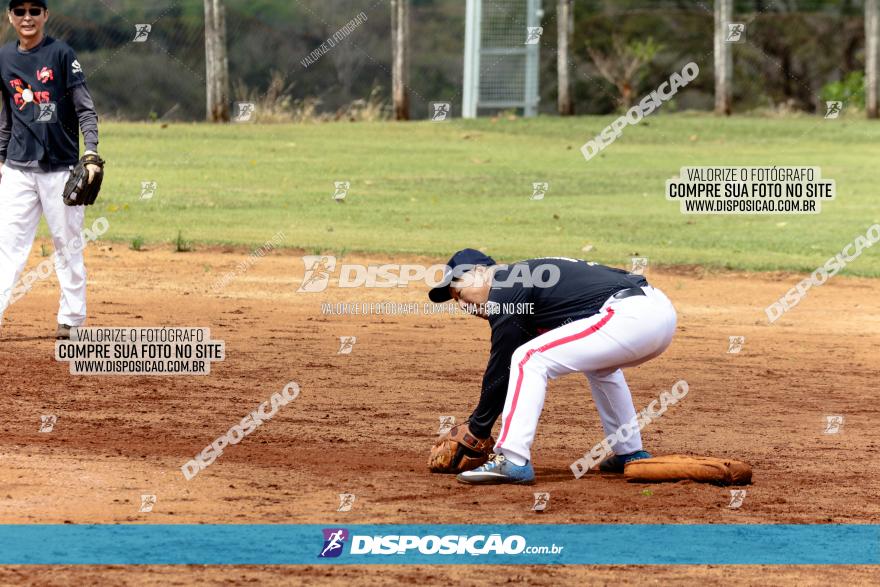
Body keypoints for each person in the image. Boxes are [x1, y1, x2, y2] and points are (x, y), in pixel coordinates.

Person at [428, 249, 677, 485]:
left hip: (632, 316)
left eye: (459, 294)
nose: (463, 306)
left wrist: (477, 428)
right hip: (656, 313)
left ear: (480, 272)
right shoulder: (526, 281)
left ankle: (513, 459)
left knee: (528, 358)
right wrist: (480, 424)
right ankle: (629, 452)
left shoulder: (505, 285)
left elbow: (502, 364)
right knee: (601, 368)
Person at [0, 0, 101, 339]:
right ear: (9, 17)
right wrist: (1, 159)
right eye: (19, 11)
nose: (26, 17)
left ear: (45, 15)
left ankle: (71, 318)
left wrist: (90, 153)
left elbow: (85, 109)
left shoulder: (62, 54)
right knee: (7, 246)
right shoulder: (4, 58)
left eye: (34, 10)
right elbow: (7, 116)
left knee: (67, 244)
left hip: (60, 168)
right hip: (17, 168)